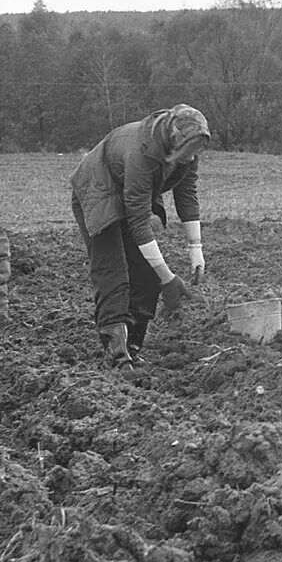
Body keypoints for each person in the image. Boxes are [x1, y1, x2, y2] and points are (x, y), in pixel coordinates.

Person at [71, 104, 210, 370]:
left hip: (132, 191)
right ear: (174, 142)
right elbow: (139, 224)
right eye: (189, 153)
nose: (193, 159)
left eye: (197, 152)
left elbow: (187, 194)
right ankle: (117, 356)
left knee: (146, 272)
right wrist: (167, 279)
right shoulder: (141, 154)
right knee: (113, 270)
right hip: (98, 189)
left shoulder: (189, 150)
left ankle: (133, 347)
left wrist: (196, 248)